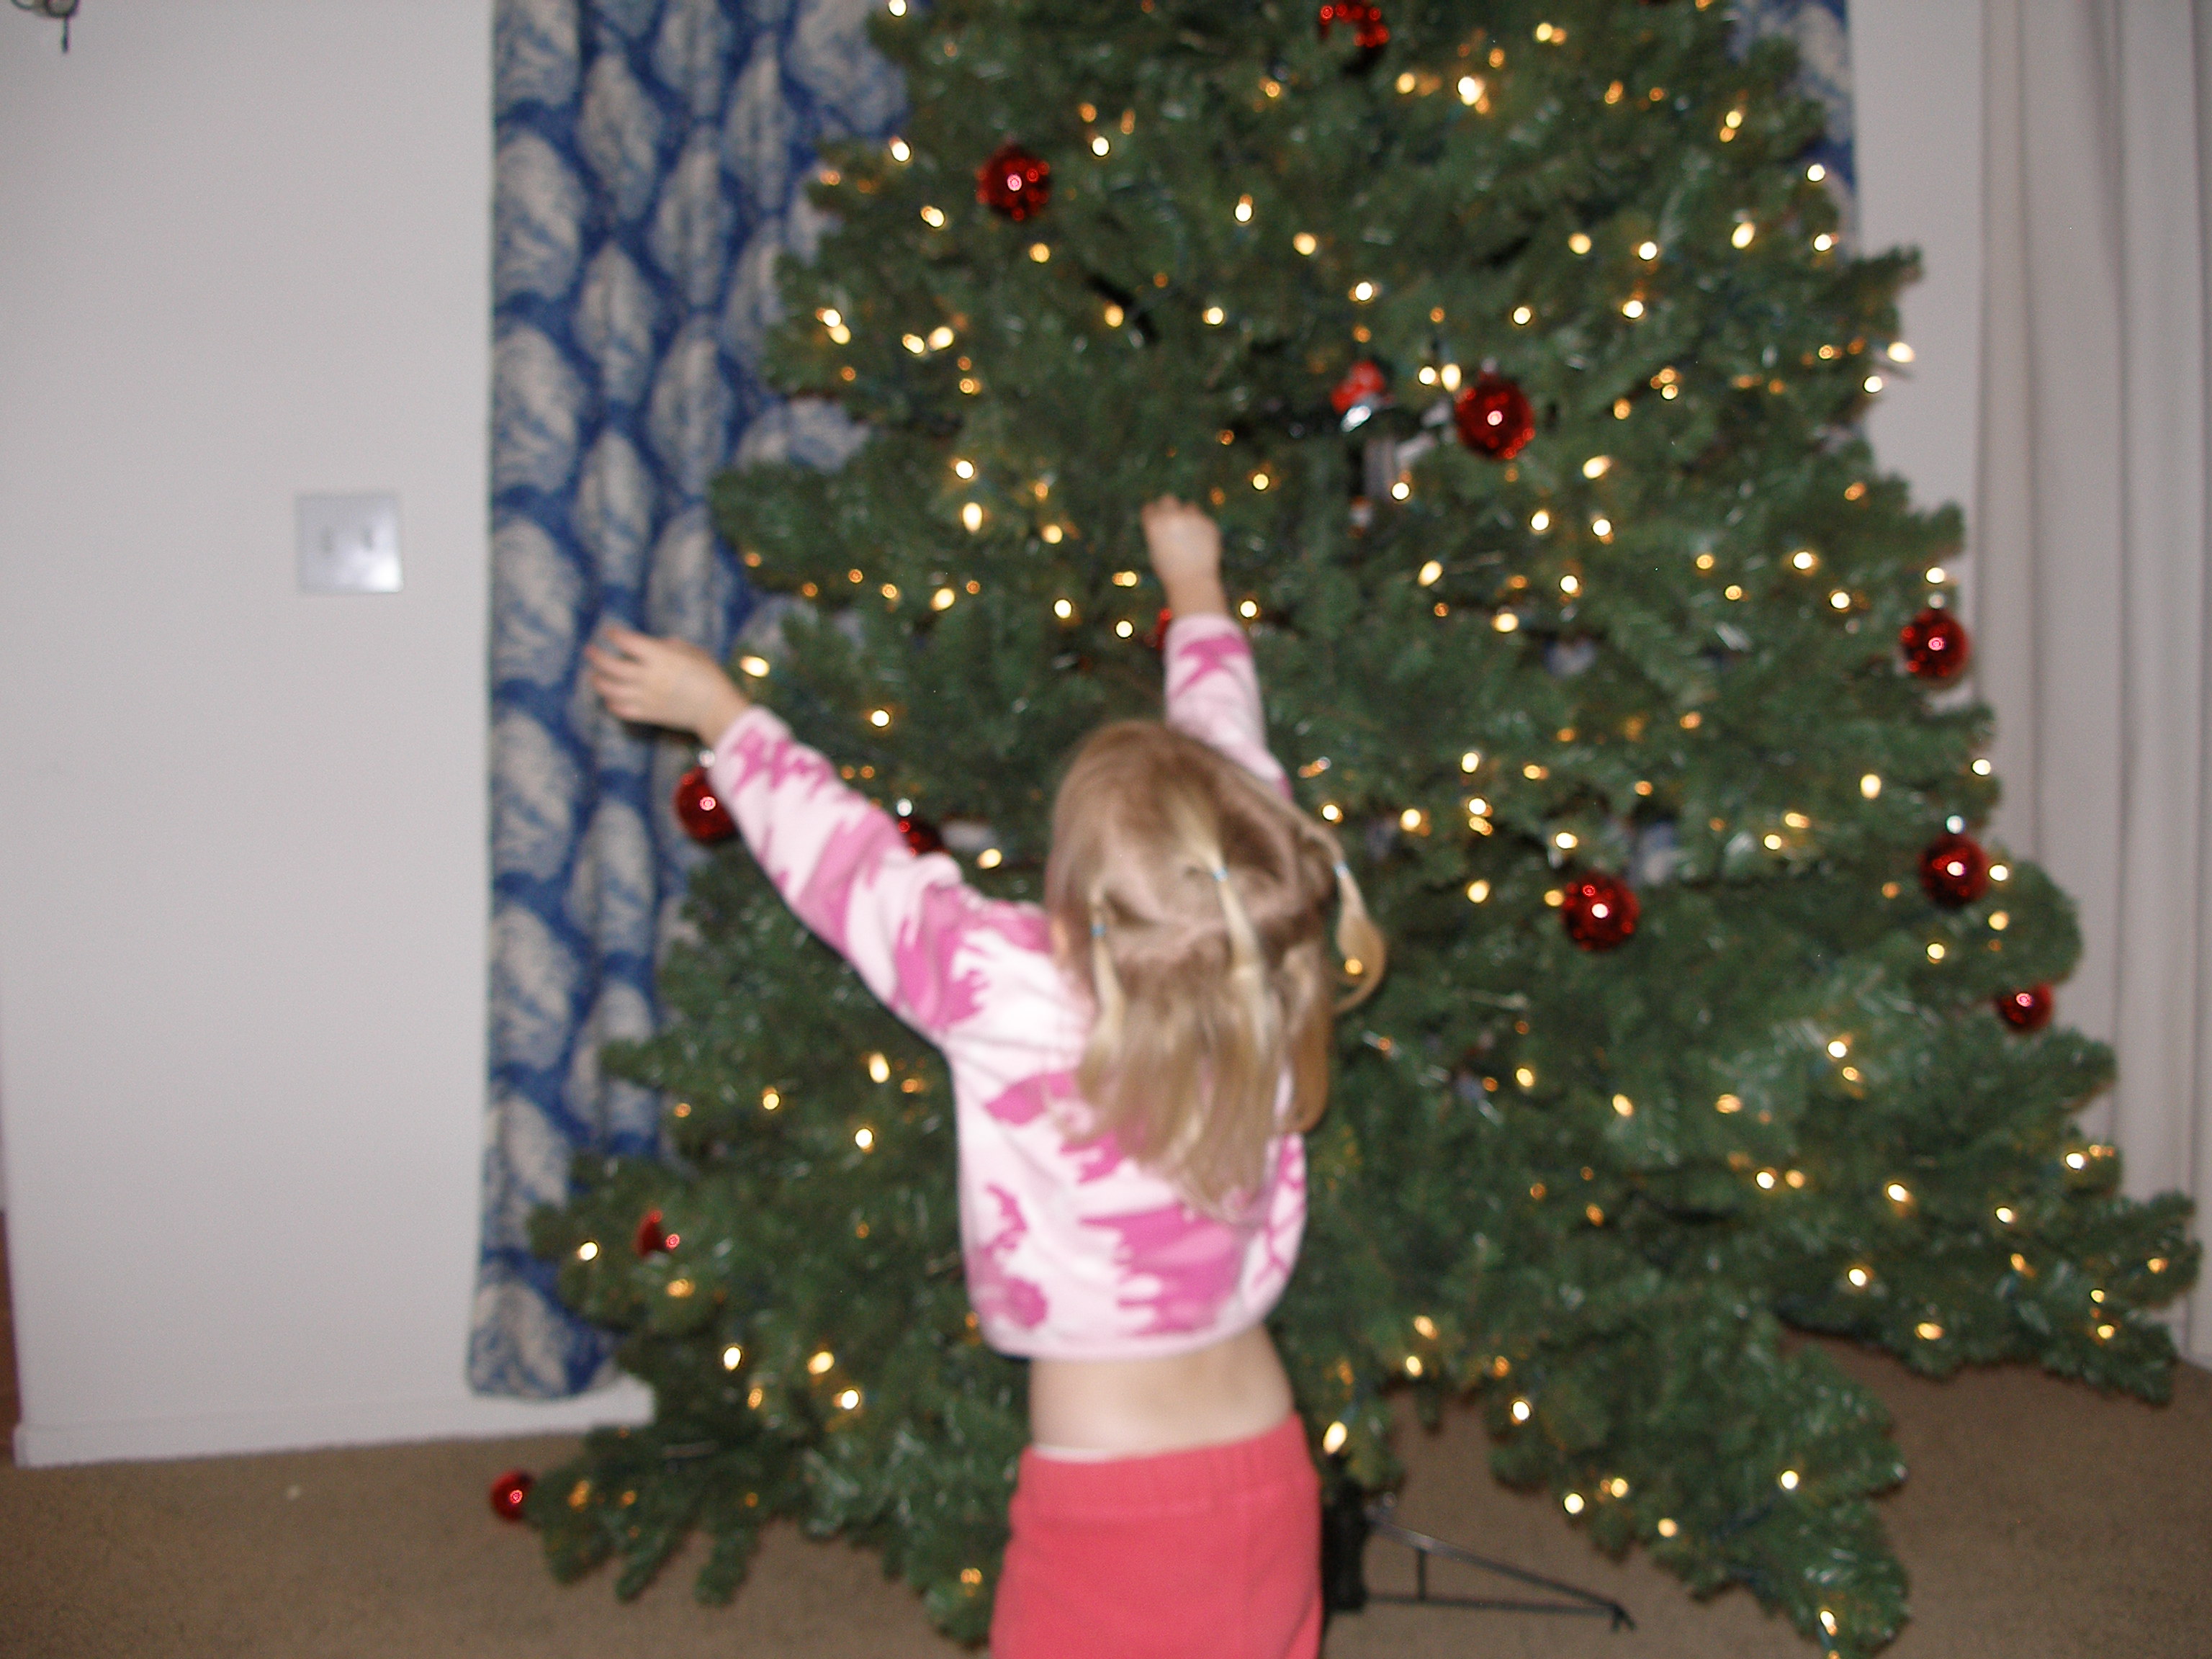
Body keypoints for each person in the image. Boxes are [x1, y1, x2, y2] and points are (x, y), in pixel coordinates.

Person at [585, 496, 1385, 1659]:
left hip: (1111, 1508)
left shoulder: (1007, 986)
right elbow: (1231, 766)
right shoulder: (1264, 946)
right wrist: (1195, 589)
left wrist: (721, 712)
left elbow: (846, 862)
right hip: (1267, 1473)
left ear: (1075, 899)